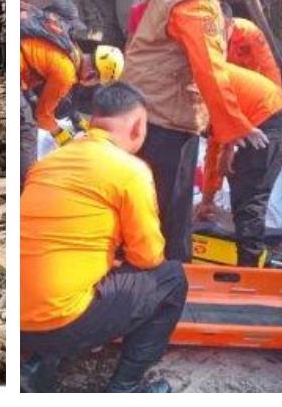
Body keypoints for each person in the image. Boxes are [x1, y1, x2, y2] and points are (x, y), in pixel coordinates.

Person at [21, 82, 186, 393]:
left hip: (17, 320)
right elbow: (148, 256)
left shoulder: (48, 163)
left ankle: (36, 364)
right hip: (57, 321)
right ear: (138, 125)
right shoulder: (129, 170)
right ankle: (125, 389)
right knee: (171, 279)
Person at [122, 0, 268, 262]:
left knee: (142, 199)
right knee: (171, 210)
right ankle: (171, 278)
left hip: (147, 105)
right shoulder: (197, 3)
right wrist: (235, 124)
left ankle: (137, 263)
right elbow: (209, 67)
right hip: (167, 116)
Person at [195, 63, 282, 265]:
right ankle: (248, 256)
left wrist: (207, 200)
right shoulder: (206, 83)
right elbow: (215, 149)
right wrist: (207, 200)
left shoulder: (204, 81)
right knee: (240, 178)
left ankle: (249, 266)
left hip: (274, 118)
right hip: (278, 115)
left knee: (250, 193)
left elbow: (216, 136)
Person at [19, 0, 124, 184]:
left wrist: (77, 120)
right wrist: (64, 139)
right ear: (92, 75)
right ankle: (25, 186)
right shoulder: (66, 73)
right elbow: (43, 117)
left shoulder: (74, 50)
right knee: (25, 128)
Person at [222, 3, 282, 86]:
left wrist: (278, 94)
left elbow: (268, 67)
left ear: (232, 23)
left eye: (225, 27)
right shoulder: (208, 35)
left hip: (252, 81)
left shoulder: (250, 32)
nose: (221, 32)